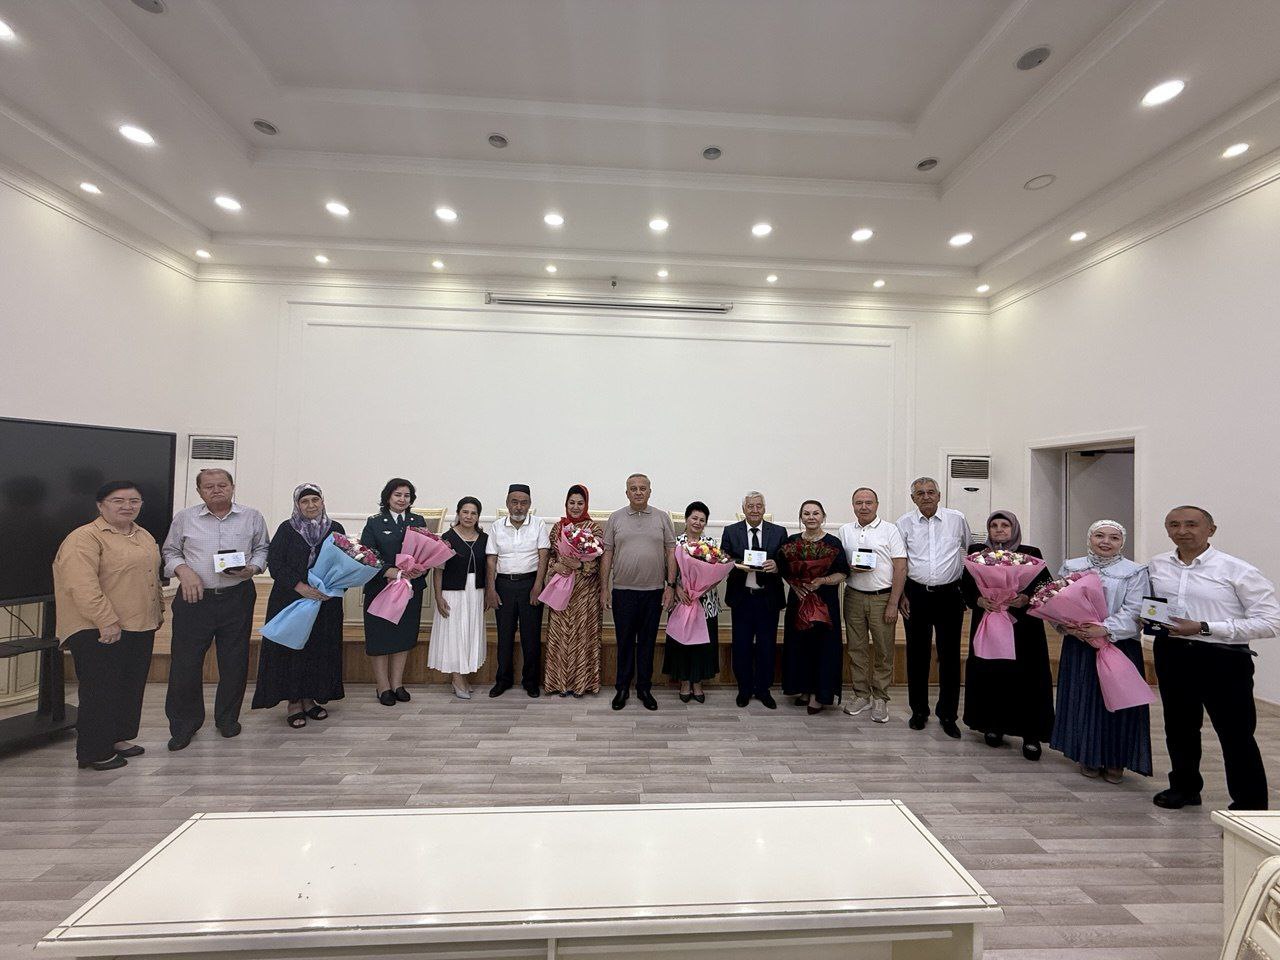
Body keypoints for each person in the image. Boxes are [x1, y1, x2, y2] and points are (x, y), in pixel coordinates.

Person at [1148, 506, 1280, 810]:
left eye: (1191, 524)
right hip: (1172, 653)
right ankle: (1184, 788)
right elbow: (1151, 605)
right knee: (1179, 727)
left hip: (1223, 658)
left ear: (1211, 529)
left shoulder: (1238, 570)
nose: (1182, 531)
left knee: (1236, 732)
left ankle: (1250, 805)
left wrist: (1205, 627)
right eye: (1174, 525)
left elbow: (1270, 623)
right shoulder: (1156, 565)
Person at [52, 481, 161, 770]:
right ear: (101, 505)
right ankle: (94, 752)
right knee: (100, 691)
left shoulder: (142, 535)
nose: (128, 506)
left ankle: (116, 738)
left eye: (134, 501)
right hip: (98, 628)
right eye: (118, 500)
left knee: (128, 687)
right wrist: (106, 621)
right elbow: (82, 586)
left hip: (139, 624)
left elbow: (151, 577)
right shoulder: (84, 538)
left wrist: (157, 613)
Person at [162, 468, 269, 751]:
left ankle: (228, 719)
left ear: (232, 487)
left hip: (237, 596)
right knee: (185, 664)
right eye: (209, 486)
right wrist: (183, 571)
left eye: (222, 485)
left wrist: (252, 568)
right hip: (194, 599)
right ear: (199, 492)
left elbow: (262, 549)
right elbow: (170, 552)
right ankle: (184, 725)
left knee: (234, 661)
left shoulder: (252, 516)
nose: (216, 490)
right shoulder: (185, 518)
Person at [1049, 520, 1152, 783]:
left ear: (1122, 542)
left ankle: (1116, 759)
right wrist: (1069, 627)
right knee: (1084, 700)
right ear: (1090, 538)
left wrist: (1104, 629)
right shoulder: (1072, 566)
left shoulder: (1134, 571)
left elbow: (1135, 610)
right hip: (1080, 643)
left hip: (1119, 644)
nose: (1106, 542)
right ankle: (1088, 755)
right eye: (1099, 536)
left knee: (1118, 703)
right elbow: (1055, 600)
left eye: (1114, 538)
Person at [959, 510, 1054, 759]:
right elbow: (965, 585)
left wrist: (1026, 597)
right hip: (989, 621)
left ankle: (1031, 734)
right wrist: (979, 600)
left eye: (1005, 525)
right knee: (992, 673)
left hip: (1023, 628)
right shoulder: (978, 555)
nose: (999, 529)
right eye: (994, 525)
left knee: (1027, 677)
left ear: (1014, 528)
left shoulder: (1031, 554)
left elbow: (1046, 586)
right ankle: (993, 725)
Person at [252, 484, 344, 727]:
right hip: (291, 598)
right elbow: (275, 563)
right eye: (305, 501)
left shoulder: (335, 529)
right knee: (292, 649)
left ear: (322, 501)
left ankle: (310, 698)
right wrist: (300, 587)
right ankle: (293, 701)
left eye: (315, 500)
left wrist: (330, 588)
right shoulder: (287, 528)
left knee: (318, 648)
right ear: (297, 505)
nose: (311, 505)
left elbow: (344, 562)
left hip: (324, 600)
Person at [896, 476, 972, 738]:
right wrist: (901, 594)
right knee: (917, 656)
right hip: (916, 595)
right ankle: (919, 711)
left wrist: (965, 590)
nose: (926, 496)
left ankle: (948, 714)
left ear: (939, 495)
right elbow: (900, 562)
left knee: (950, 656)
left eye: (930, 492)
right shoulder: (903, 523)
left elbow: (970, 550)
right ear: (913, 498)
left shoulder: (956, 519)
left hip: (949, 596)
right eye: (920, 493)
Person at [600, 473, 676, 711]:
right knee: (624, 642)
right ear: (627, 493)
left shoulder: (662, 518)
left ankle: (644, 688)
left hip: (654, 592)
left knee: (647, 642)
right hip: (623, 592)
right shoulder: (615, 518)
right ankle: (622, 688)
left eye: (643, 488)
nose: (638, 492)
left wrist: (671, 586)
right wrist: (604, 588)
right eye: (633, 488)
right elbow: (607, 554)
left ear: (650, 492)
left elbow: (671, 553)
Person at [838, 487, 906, 724]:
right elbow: (840, 563)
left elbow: (900, 567)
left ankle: (880, 698)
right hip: (853, 596)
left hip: (882, 598)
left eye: (868, 502)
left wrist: (893, 603)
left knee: (883, 650)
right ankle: (861, 695)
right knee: (856, 649)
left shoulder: (890, 530)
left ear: (877, 505)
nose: (864, 507)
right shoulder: (845, 531)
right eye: (859, 503)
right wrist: (848, 567)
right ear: (853, 506)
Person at [778, 500, 850, 714]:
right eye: (806, 513)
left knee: (822, 647)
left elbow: (843, 573)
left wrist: (821, 581)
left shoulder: (833, 543)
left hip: (824, 604)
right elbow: (784, 570)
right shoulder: (791, 542)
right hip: (799, 600)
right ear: (801, 517)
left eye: (815, 513)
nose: (811, 517)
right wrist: (795, 585)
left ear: (823, 517)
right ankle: (804, 689)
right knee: (800, 646)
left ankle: (819, 695)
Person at [361, 478, 428, 706]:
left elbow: (426, 552)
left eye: (407, 496)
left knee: (403, 636)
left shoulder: (417, 521)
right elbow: (366, 555)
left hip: (409, 588)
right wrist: (388, 571)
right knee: (380, 637)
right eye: (398, 495)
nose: (402, 499)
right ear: (388, 496)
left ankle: (397, 684)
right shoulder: (374, 522)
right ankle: (383, 686)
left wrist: (419, 569)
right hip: (382, 588)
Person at [721, 491, 787, 709]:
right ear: (744, 509)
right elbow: (724, 559)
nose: (755, 510)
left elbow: (787, 561)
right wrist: (738, 564)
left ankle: (763, 689)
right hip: (742, 598)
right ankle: (744, 689)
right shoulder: (731, 531)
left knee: (767, 646)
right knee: (741, 646)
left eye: (759, 506)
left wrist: (777, 566)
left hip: (768, 598)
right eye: (750, 506)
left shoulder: (779, 532)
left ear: (764, 508)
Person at [485, 484, 550, 697]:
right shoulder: (497, 526)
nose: (519, 507)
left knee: (531, 637)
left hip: (530, 584)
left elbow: (543, 556)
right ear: (507, 503)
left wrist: (538, 586)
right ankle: (502, 680)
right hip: (503, 586)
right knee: (504, 636)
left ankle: (530, 682)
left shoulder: (538, 524)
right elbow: (491, 559)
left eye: (524, 503)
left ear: (529, 505)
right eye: (514, 502)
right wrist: (491, 589)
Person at [543, 484, 604, 697]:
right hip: (561, 589)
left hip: (585, 593)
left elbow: (600, 563)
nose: (575, 507)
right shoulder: (558, 528)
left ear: (586, 504)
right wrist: (556, 566)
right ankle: (558, 683)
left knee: (583, 636)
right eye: (572, 503)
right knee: (559, 636)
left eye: (580, 503)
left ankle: (581, 685)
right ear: (566, 504)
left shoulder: (594, 529)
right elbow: (549, 557)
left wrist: (581, 565)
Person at [429, 497, 489, 699]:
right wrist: (438, 597)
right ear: (458, 513)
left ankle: (463, 675)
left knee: (469, 633)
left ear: (478, 516)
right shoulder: (447, 538)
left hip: (476, 592)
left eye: (473, 513)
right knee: (454, 634)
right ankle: (456, 678)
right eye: (465, 512)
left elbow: (490, 568)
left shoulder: (485, 538)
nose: (469, 516)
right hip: (452, 593)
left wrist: (488, 593)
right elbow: (438, 570)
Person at [662, 501, 722, 703]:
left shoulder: (710, 544)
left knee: (702, 644)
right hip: (682, 601)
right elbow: (666, 570)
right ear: (686, 519)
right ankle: (685, 682)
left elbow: (718, 573)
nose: (697, 522)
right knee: (682, 643)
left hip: (705, 603)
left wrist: (702, 588)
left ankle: (698, 683)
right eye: (694, 518)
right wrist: (677, 589)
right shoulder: (675, 543)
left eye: (702, 520)